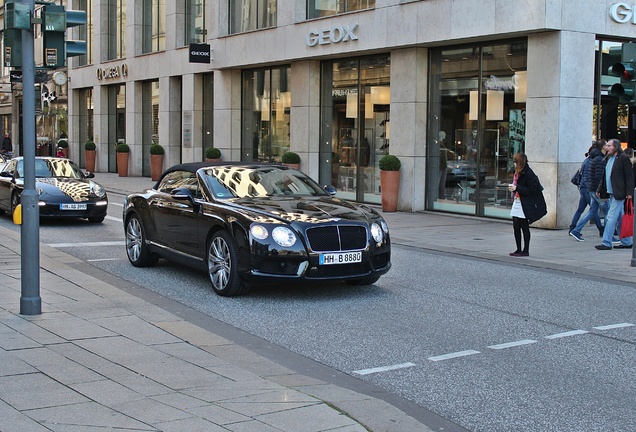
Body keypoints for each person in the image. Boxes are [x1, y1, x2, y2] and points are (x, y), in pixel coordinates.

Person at [595, 139, 634, 250]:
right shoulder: (609, 158)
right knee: (621, 218)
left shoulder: (623, 158)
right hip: (611, 193)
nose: (607, 147)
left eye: (609, 145)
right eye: (606, 145)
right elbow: (605, 176)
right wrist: (600, 189)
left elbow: (629, 176)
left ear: (616, 146)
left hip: (619, 193)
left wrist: (629, 193)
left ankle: (607, 242)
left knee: (611, 218)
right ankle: (627, 242)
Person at [508, 152, 547, 257]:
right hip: (517, 200)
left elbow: (532, 189)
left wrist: (517, 188)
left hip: (525, 202)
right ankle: (518, 249)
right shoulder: (517, 173)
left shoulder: (529, 173)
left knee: (524, 226)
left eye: (516, 162)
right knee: (516, 226)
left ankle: (525, 250)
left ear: (520, 162)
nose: (514, 164)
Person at [569, 140, 608, 241]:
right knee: (600, 210)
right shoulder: (597, 159)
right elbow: (597, 176)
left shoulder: (588, 160)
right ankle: (603, 231)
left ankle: (574, 229)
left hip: (585, 188)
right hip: (590, 188)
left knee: (586, 210)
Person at [568, 144, 596, 234]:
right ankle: (600, 228)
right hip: (587, 188)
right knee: (593, 209)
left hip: (583, 188)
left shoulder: (586, 161)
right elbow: (587, 177)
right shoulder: (590, 162)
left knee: (580, 209)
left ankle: (572, 227)